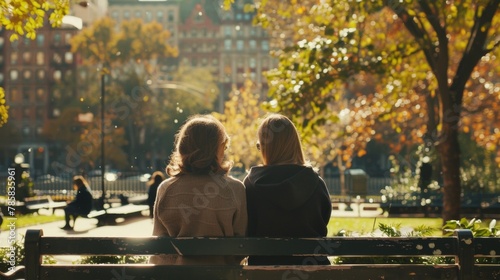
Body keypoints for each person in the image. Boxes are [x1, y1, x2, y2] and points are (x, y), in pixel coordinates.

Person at [150, 114, 247, 265]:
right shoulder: (235, 189)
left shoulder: (166, 189)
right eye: (224, 147)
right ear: (215, 149)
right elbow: (240, 247)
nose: (224, 152)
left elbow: (159, 248)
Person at [244, 113, 332, 265]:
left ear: (266, 147)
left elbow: (246, 228)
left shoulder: (251, 184)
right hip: (313, 271)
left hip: (263, 271)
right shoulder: (315, 182)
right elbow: (323, 221)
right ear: (295, 144)